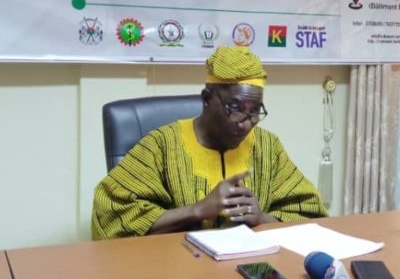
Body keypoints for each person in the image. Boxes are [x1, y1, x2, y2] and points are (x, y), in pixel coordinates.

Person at [92, 46, 327, 240]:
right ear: (206, 99)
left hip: (252, 265)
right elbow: (112, 214)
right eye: (235, 108)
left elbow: (309, 214)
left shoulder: (267, 146)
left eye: (255, 111)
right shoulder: (161, 145)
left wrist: (262, 218)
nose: (246, 122)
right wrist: (198, 210)